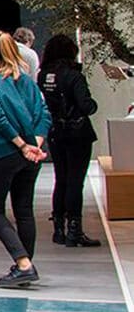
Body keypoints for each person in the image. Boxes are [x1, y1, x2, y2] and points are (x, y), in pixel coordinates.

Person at [0, 31, 52, 288]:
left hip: (3, 152)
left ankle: (23, 264)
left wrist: (20, 145)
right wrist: (35, 144)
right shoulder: (27, 81)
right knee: (24, 209)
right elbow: (43, 113)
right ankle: (24, 265)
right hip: (30, 154)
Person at [39, 34, 101, 247]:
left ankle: (58, 228)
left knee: (61, 178)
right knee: (75, 180)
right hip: (77, 132)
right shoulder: (73, 76)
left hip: (56, 131)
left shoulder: (44, 75)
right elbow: (86, 106)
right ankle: (75, 230)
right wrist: (92, 104)